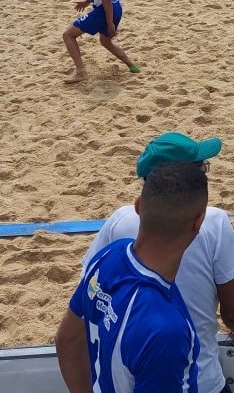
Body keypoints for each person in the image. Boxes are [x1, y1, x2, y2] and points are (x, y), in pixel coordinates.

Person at [81, 132, 234, 393]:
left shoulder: (116, 228)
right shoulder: (214, 222)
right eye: (201, 168)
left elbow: (81, 312)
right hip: (201, 380)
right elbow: (230, 313)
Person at [55, 163, 208, 392]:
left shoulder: (107, 255)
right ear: (198, 221)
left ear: (137, 206)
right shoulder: (166, 331)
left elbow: (66, 340)